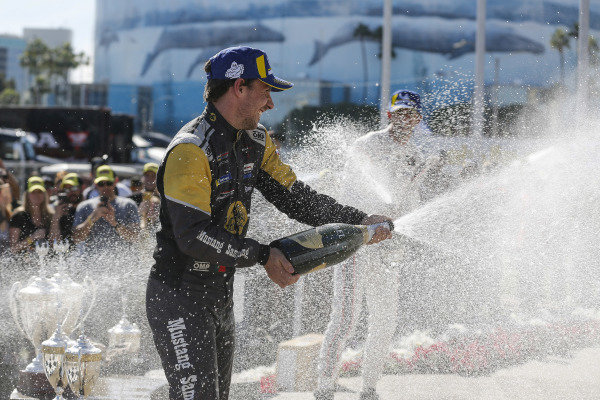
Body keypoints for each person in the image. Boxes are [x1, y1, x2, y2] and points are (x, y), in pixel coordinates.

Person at [145, 46, 392, 400]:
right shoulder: (190, 149)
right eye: (266, 92)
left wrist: (359, 219)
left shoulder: (256, 140)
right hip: (179, 294)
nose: (270, 104)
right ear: (239, 87)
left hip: (219, 290)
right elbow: (193, 236)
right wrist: (263, 255)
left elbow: (297, 197)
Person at [315, 90, 438, 400]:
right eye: (398, 113)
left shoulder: (416, 157)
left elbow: (411, 203)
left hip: (388, 251)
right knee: (345, 317)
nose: (404, 119)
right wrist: (374, 214)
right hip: (356, 244)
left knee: (386, 319)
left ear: (418, 118)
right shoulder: (367, 144)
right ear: (389, 115)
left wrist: (405, 216)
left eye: (410, 114)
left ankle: (369, 388)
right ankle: (324, 387)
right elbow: (348, 194)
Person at [72, 169, 140, 248]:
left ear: (115, 182)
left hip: (122, 258)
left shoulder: (128, 205)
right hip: (94, 258)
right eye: (101, 184)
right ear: (96, 184)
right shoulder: (84, 206)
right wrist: (92, 218)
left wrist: (114, 223)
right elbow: (76, 239)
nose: (105, 187)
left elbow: (135, 238)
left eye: (109, 183)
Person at [9, 176, 54, 253]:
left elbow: (55, 241)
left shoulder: (51, 215)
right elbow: (13, 248)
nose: (37, 195)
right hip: (24, 262)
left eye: (40, 192)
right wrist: (32, 238)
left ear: (44, 194)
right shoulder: (18, 216)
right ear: (27, 195)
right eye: (33, 192)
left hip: (46, 261)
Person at [50, 173, 83, 244]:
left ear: (81, 188)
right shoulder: (62, 211)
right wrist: (56, 217)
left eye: (74, 188)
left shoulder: (88, 207)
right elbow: (54, 241)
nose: (71, 192)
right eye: (67, 189)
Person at [130, 163, 160, 231]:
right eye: (147, 175)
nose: (150, 179)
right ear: (142, 178)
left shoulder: (165, 200)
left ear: (159, 178)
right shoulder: (133, 199)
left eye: (153, 176)